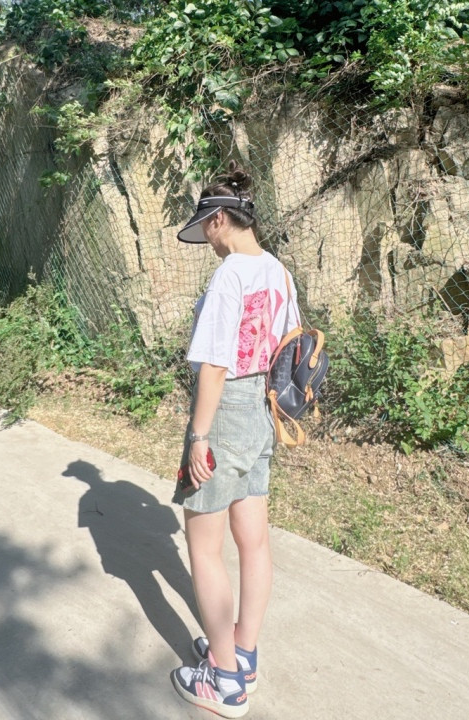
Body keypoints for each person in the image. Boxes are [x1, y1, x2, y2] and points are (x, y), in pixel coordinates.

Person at [171, 161, 301, 718]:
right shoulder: (278, 272)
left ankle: (224, 681)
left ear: (219, 219)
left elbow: (215, 365)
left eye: (206, 230)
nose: (207, 242)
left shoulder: (230, 276)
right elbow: (291, 347)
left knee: (204, 548)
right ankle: (242, 652)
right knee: (254, 541)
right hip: (262, 411)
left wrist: (198, 436)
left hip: (224, 412)